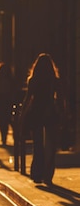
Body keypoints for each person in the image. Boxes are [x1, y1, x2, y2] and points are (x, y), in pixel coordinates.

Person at [21, 53, 65, 185]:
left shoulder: (33, 80)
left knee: (38, 145)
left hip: (36, 112)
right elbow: (61, 99)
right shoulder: (54, 80)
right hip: (50, 113)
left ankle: (37, 173)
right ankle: (48, 175)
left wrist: (22, 114)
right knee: (51, 146)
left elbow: (28, 98)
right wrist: (62, 113)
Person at [0, 62, 16, 146]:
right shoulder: (11, 80)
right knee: (10, 120)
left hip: (0, 101)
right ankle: (15, 136)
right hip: (9, 101)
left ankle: (4, 138)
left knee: (2, 121)